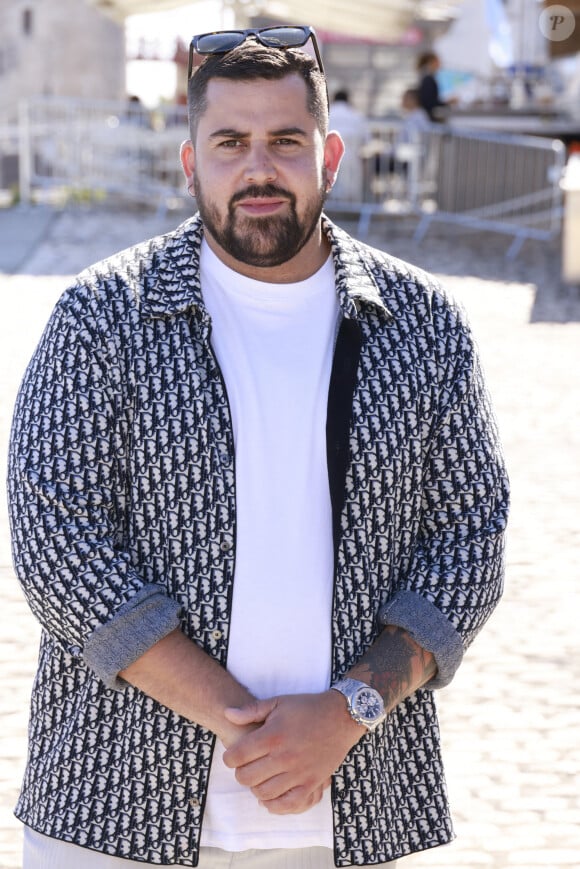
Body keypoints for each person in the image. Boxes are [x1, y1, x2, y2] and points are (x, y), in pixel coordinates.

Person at [8, 24, 509, 869]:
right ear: (190, 160)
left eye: (286, 141)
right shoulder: (100, 318)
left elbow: (470, 539)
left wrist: (348, 711)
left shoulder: (422, 325)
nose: (258, 168)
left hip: (349, 810)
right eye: (230, 142)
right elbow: (58, 545)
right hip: (111, 808)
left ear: (331, 153)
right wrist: (250, 723)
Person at [327, 89, 369, 201]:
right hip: (352, 157)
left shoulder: (327, 114)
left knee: (330, 188)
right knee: (350, 190)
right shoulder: (356, 115)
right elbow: (366, 139)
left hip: (329, 158)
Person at [416, 51, 457, 122]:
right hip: (430, 119)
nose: (439, 64)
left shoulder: (426, 77)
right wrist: (447, 102)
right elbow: (429, 102)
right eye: (437, 61)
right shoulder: (428, 79)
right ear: (431, 62)